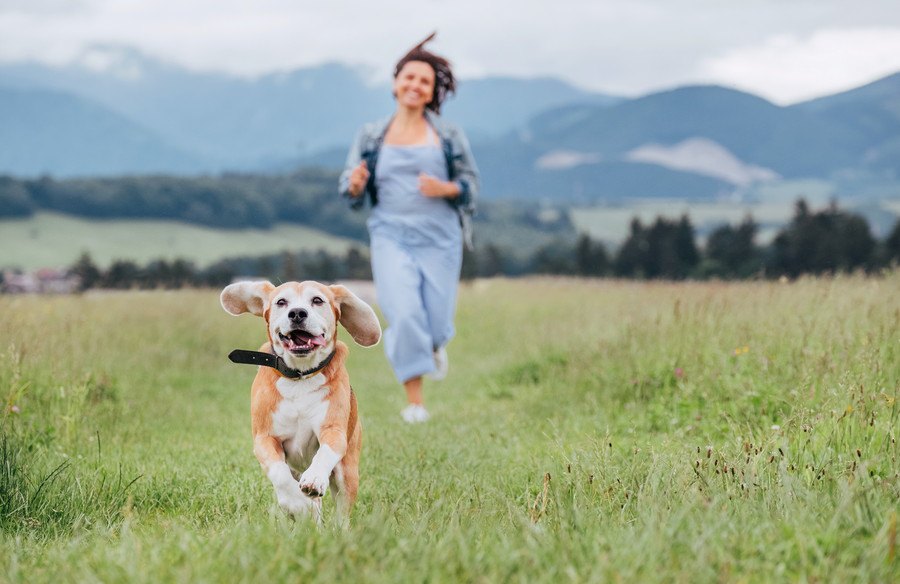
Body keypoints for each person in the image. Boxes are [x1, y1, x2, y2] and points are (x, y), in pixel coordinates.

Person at [339, 33, 479, 424]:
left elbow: (471, 187)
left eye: (424, 82)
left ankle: (434, 344)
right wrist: (354, 184)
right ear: (395, 81)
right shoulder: (371, 135)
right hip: (390, 235)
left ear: (432, 92)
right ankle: (415, 403)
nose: (415, 85)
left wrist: (446, 188)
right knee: (403, 313)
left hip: (441, 238)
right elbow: (350, 190)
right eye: (409, 77)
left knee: (434, 320)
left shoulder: (448, 136)